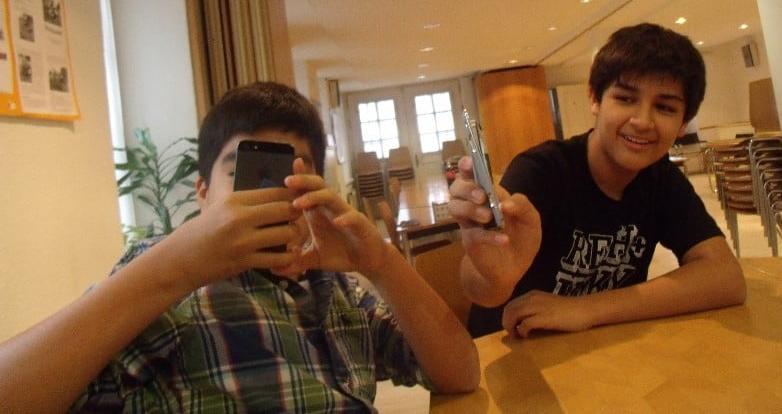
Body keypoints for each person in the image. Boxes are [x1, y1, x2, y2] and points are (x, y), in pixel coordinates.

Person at [0, 81, 479, 412]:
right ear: (203, 193)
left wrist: (381, 263)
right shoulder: (173, 291)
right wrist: (176, 266)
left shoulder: (334, 289)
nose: (271, 191)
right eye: (242, 170)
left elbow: (460, 374)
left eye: (294, 172)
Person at [449, 23, 746, 338]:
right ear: (595, 99)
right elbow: (483, 289)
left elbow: (726, 277)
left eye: (664, 107)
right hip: (517, 348)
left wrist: (586, 309)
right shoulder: (542, 170)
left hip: (602, 347)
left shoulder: (661, 179)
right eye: (625, 99)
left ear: (683, 123)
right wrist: (495, 275)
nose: (642, 121)